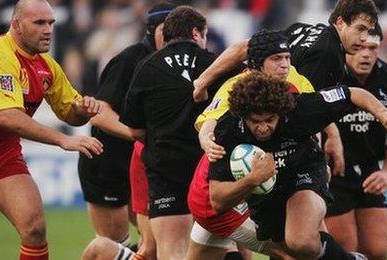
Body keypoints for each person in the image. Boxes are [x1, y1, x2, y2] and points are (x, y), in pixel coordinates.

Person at [208, 72, 387, 260]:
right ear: (242, 115)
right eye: (255, 121)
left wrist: (382, 113)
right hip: (264, 197)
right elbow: (217, 200)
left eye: (270, 120)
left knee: (300, 240)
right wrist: (251, 180)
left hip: (304, 175)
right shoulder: (228, 131)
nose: (263, 128)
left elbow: (351, 93)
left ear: (280, 110)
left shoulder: (301, 109)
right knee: (291, 251)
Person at [0, 0, 103, 259]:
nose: (48, 30)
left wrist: (82, 110)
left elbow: (69, 112)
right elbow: (7, 117)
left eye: (51, 23)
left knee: (34, 228)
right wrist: (62, 140)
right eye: (39, 23)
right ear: (17, 25)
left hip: (1, 159)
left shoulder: (46, 65)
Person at [193, 0, 381, 176]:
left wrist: (202, 82)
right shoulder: (328, 55)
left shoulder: (306, 29)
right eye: (360, 29)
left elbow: (244, 47)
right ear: (340, 22)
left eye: (368, 31)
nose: (364, 38)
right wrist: (318, 160)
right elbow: (307, 110)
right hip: (266, 142)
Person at [187, 29, 313, 260]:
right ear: (258, 63)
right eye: (276, 59)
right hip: (216, 197)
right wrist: (206, 140)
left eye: (286, 57)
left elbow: (315, 113)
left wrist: (331, 138)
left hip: (244, 191)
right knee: (293, 253)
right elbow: (210, 122)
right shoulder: (240, 88)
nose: (284, 64)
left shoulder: (294, 79)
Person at [120, 5, 230, 259]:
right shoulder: (213, 62)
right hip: (208, 168)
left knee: (171, 252)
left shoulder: (147, 66)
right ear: (196, 32)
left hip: (166, 169)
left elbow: (135, 130)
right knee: (220, 250)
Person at [80, 3, 177, 260]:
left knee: (154, 244)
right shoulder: (130, 59)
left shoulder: (173, 62)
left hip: (143, 166)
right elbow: (99, 113)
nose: (172, 37)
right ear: (152, 29)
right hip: (106, 162)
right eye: (167, 30)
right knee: (114, 244)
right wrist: (139, 134)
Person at [324, 24, 387, 260]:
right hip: (334, 173)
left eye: (372, 48)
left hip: (369, 171)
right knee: (345, 247)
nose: (366, 54)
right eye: (360, 47)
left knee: (378, 250)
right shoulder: (329, 74)